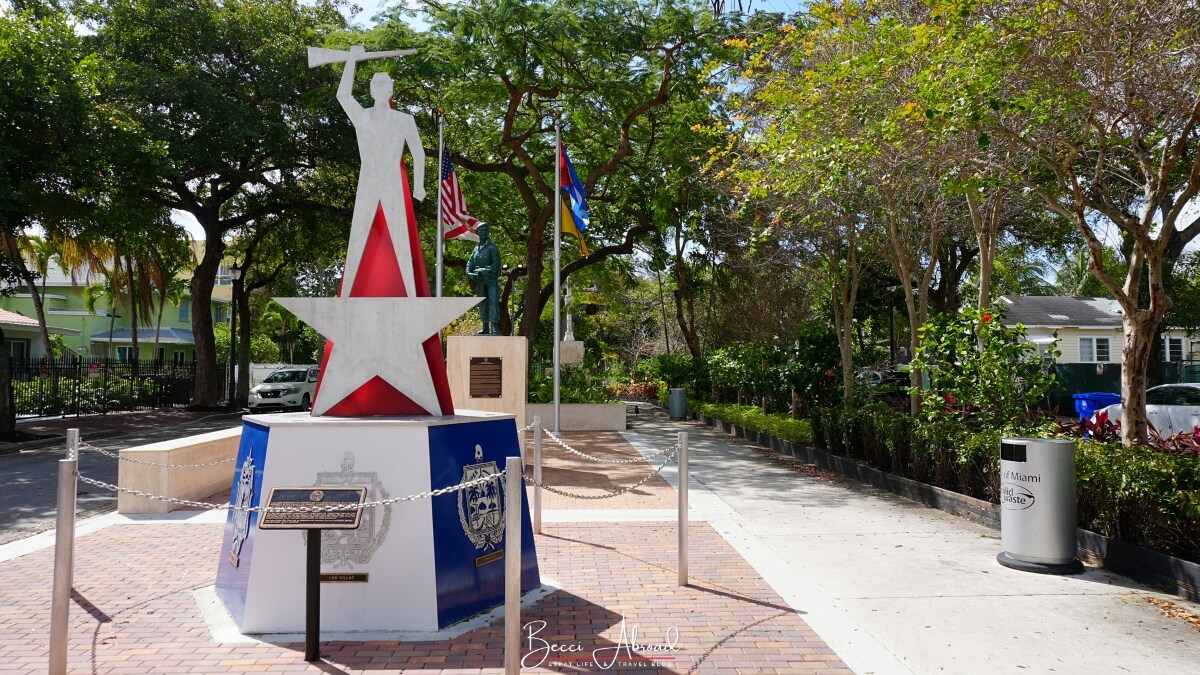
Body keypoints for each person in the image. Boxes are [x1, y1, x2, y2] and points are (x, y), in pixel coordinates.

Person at [336, 45, 426, 296]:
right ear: (371, 90)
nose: (378, 89)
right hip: (368, 178)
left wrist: (419, 185)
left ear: (390, 90)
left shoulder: (404, 119)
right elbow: (343, 96)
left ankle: (411, 296)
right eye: (374, 85)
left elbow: (418, 153)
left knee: (401, 239)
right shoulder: (362, 117)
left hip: (391, 180)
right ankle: (344, 298)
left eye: (383, 85)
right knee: (357, 236)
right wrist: (351, 61)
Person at [465, 223, 501, 335]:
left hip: (491, 280)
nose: (484, 232)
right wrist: (469, 273)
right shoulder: (476, 249)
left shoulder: (492, 247)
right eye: (482, 230)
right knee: (482, 303)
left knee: (493, 301)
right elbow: (469, 263)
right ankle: (485, 327)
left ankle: (494, 326)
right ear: (478, 233)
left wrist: (488, 269)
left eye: (486, 230)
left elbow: (496, 263)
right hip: (480, 281)